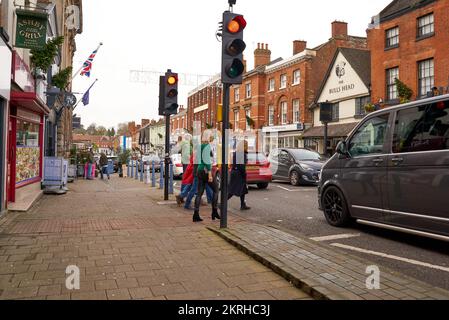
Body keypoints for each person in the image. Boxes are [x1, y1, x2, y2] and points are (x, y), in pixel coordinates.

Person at [192, 134, 220, 222]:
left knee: (199, 193)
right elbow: (207, 161)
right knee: (216, 190)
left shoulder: (199, 147)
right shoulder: (207, 147)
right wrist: (210, 174)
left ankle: (195, 214)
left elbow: (196, 160)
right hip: (206, 170)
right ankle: (214, 212)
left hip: (200, 170)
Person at [228, 140, 251, 211]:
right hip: (238, 174)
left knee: (243, 189)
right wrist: (244, 175)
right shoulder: (242, 154)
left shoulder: (236, 153)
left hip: (234, 172)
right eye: (246, 145)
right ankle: (222, 203)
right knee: (233, 190)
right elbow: (241, 166)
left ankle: (242, 205)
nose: (247, 147)